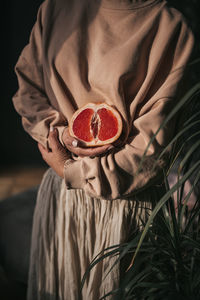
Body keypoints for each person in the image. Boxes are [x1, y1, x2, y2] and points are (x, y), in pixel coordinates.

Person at [12, 0, 194, 299]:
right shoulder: (54, 9)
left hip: (126, 209)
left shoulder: (171, 28)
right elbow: (28, 90)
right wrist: (61, 136)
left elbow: (149, 152)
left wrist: (70, 169)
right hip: (63, 202)